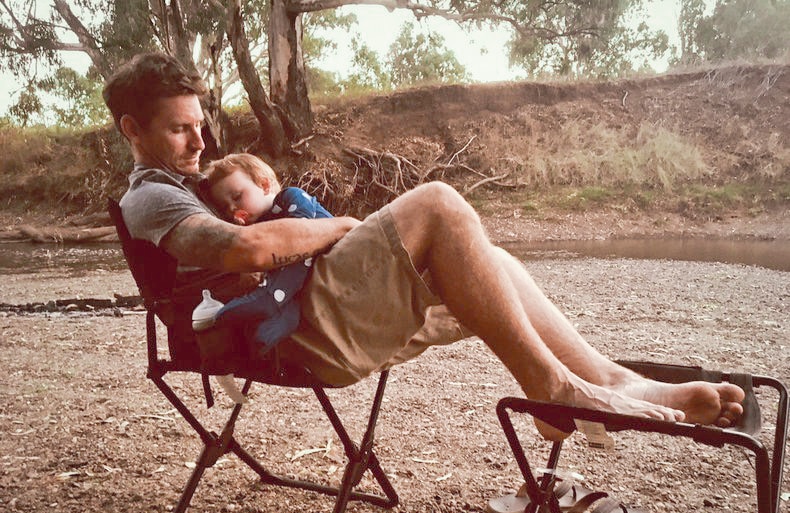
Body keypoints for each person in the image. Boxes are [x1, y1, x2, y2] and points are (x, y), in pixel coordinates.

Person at [104, 52, 744, 442]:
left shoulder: (190, 182)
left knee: (495, 263)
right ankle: (552, 387)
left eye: (199, 125)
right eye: (178, 129)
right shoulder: (151, 197)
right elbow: (246, 250)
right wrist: (343, 227)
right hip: (294, 333)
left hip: (308, 309)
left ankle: (602, 378)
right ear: (133, 129)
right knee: (436, 203)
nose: (199, 142)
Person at [200, 153, 332, 356]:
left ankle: (266, 300)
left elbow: (300, 232)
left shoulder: (291, 197)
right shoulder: (257, 229)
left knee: (293, 254)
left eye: (237, 197)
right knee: (289, 309)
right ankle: (261, 341)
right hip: (301, 287)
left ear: (264, 185)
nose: (234, 208)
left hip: (331, 258)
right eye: (226, 208)